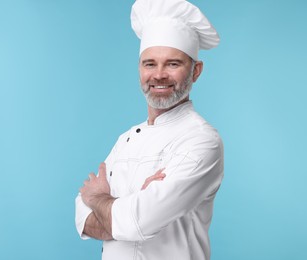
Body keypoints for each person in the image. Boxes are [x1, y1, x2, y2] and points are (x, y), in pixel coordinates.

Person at [75, 0, 224, 259]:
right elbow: (83, 218)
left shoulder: (202, 141)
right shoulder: (125, 140)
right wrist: (128, 208)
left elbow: (136, 222)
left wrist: (100, 198)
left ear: (196, 71)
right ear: (139, 69)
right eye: (150, 63)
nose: (159, 75)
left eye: (173, 64)